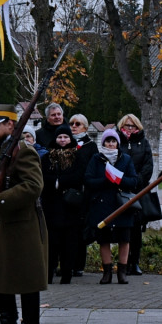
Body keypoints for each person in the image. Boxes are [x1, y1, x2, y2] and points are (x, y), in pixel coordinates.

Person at [0, 104, 48, 324]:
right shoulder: (0, 149)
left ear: (11, 125)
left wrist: (0, 199)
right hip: (3, 221)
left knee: (27, 276)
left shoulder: (24, 150)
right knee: (1, 273)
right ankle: (7, 323)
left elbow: (33, 186)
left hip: (23, 223)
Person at [85, 128, 138, 284]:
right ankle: (107, 272)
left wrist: (119, 179)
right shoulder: (96, 159)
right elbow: (88, 180)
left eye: (113, 141)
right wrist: (105, 181)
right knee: (104, 239)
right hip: (102, 204)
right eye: (108, 141)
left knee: (124, 239)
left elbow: (134, 181)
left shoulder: (126, 159)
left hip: (122, 204)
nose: (110, 144)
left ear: (118, 143)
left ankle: (122, 272)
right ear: (103, 143)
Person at [40, 124, 82, 284]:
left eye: (65, 137)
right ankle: (48, 274)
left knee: (69, 244)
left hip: (70, 207)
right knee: (51, 242)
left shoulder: (77, 157)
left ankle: (66, 274)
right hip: (51, 206)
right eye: (60, 137)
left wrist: (60, 181)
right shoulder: (47, 157)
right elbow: (43, 176)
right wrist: (56, 181)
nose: (63, 140)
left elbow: (78, 176)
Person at [117, 114, 152, 275]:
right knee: (122, 227)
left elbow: (148, 165)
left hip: (138, 190)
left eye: (132, 126)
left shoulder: (143, 143)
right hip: (120, 189)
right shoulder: (116, 141)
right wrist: (123, 181)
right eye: (126, 126)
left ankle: (135, 262)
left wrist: (137, 181)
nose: (129, 129)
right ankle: (122, 262)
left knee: (136, 229)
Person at [68, 114, 96, 277]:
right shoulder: (67, 143)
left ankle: (79, 265)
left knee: (81, 230)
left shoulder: (91, 146)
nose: (73, 126)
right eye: (71, 123)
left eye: (77, 124)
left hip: (84, 193)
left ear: (85, 127)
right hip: (69, 191)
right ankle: (67, 263)